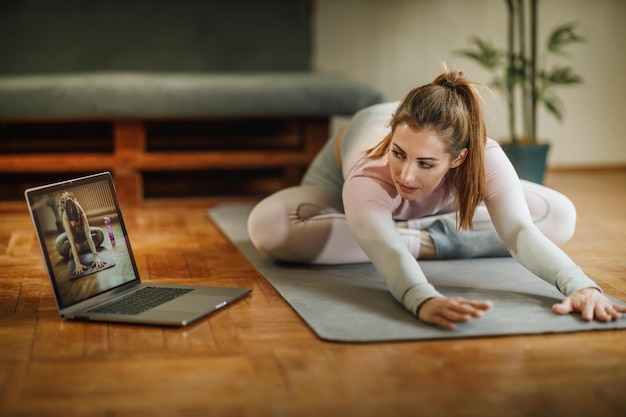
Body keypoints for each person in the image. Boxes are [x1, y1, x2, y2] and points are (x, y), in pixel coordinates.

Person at [247, 68, 626, 330]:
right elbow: (391, 257)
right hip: (334, 194)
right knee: (271, 228)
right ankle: (415, 235)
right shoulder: (372, 172)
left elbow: (519, 232)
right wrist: (422, 297)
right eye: (399, 153)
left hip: (422, 209)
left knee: (560, 215)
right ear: (392, 135)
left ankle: (413, 233)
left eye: (425, 163)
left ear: (459, 158)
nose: (406, 175)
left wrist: (581, 286)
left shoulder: (483, 155)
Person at [56, 191, 106, 276]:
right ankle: (80, 248)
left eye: (77, 223)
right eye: (74, 225)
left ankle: (79, 248)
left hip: (83, 234)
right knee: (59, 244)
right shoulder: (65, 216)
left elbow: (88, 236)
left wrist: (95, 256)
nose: (76, 226)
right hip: (73, 237)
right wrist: (77, 262)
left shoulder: (80, 212)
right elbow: (71, 240)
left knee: (100, 234)